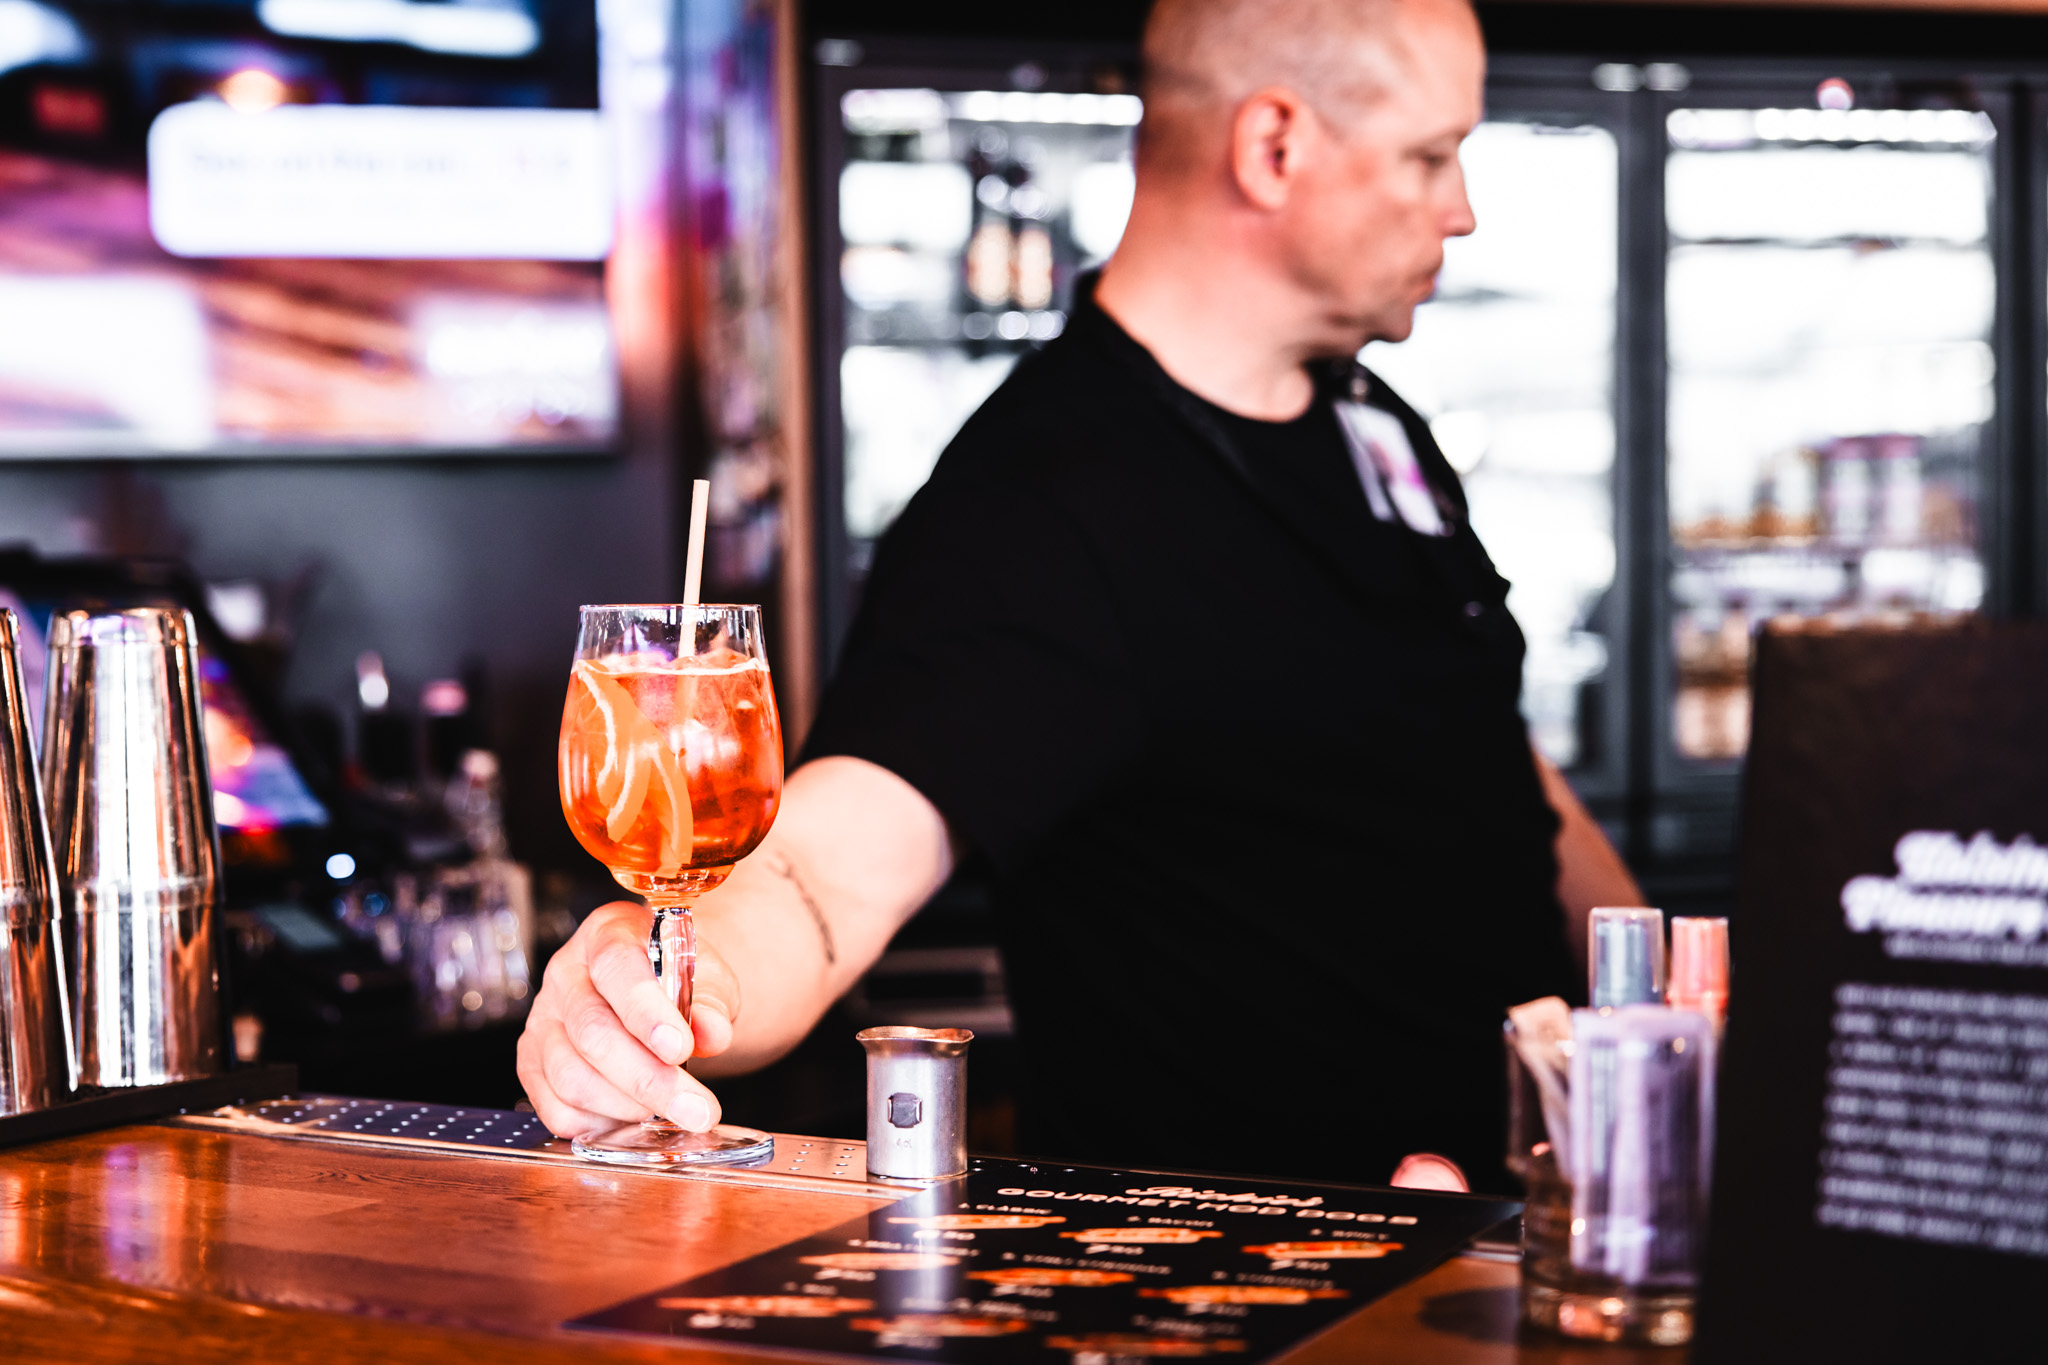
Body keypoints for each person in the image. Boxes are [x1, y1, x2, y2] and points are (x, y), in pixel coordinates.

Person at [517, 0, 1642, 1191]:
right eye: (1428, 156)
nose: (1459, 209)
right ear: (1271, 147)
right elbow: (825, 870)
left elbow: (1487, 747)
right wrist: (656, 985)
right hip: (1273, 1261)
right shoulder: (1043, 501)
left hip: (1521, 1223)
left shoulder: (1367, 421)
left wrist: (1671, 1000)